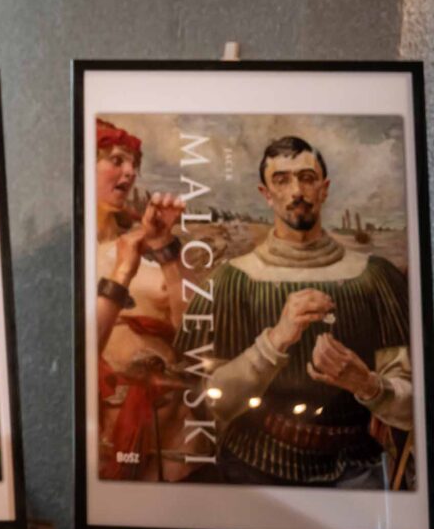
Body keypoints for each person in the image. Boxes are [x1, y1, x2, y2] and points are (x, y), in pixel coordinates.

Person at [175, 136, 413, 486]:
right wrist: (274, 342)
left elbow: (413, 405)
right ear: (266, 194)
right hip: (255, 467)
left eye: (307, 178)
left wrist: (367, 384)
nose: (296, 191)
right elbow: (207, 403)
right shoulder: (231, 281)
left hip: (358, 470)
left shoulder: (373, 276)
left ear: (324, 188)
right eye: (282, 180)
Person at [90, 120, 189, 481]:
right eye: (116, 160)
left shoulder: (145, 239)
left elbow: (193, 332)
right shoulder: (68, 255)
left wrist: (165, 248)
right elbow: (79, 352)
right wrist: (123, 271)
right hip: (109, 432)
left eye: (134, 164)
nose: (130, 172)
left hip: (174, 430)